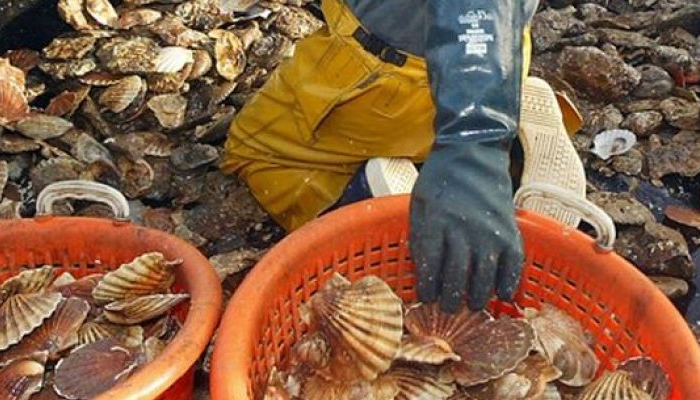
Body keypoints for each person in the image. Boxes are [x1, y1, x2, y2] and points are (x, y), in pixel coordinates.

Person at [222, 0, 594, 312]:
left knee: (255, 156)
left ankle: (376, 194)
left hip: (389, 75)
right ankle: (509, 117)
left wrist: (474, 144)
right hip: (501, 50)